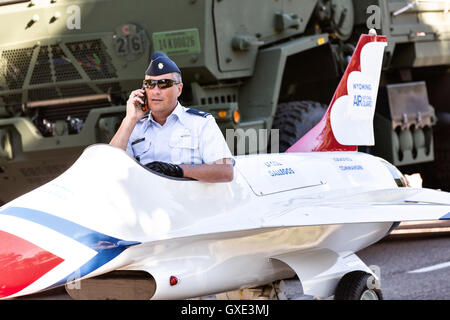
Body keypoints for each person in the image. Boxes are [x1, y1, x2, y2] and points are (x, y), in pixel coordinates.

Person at [109, 51, 234, 182]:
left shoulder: (200, 123)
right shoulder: (134, 127)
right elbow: (108, 165)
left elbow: (225, 171)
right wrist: (130, 119)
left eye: (164, 84)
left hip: (187, 201)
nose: (156, 91)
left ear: (179, 89)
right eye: (150, 84)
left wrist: (177, 170)